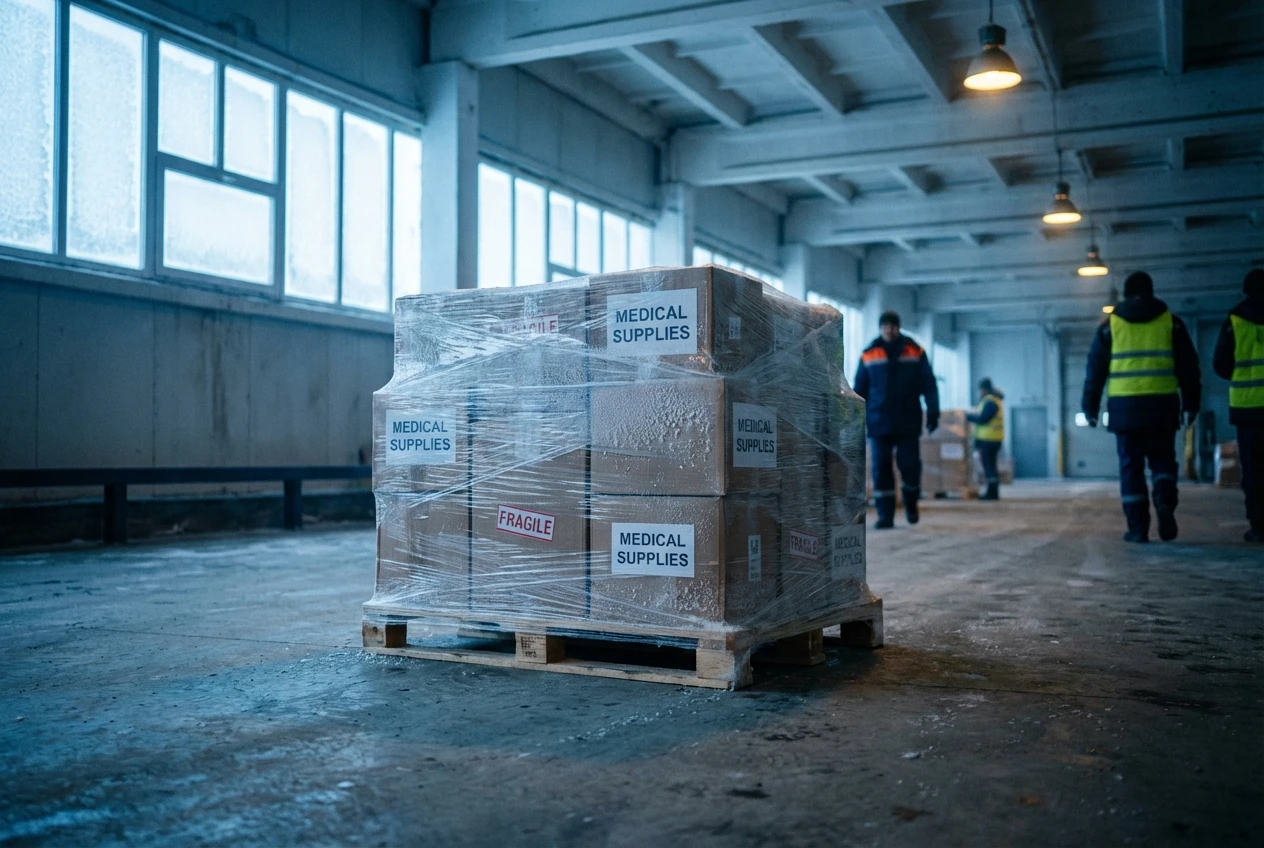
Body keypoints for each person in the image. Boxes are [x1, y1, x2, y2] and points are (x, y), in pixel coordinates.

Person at [1082, 271, 1201, 543]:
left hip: (1125, 411)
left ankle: (1138, 529)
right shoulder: (1172, 323)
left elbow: (1095, 370)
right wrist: (1191, 404)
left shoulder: (1109, 326)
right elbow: (1189, 367)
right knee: (1163, 461)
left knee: (1131, 468)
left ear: (1125, 295)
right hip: (1162, 407)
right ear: (1151, 291)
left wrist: (1090, 408)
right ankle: (1165, 500)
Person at [854, 310, 940, 529]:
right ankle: (885, 516)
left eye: (893, 326)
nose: (889, 330)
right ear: (880, 328)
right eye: (886, 326)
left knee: (910, 466)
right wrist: (854, 418)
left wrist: (933, 412)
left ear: (898, 328)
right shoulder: (869, 354)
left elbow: (929, 384)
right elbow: (859, 389)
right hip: (878, 422)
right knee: (881, 469)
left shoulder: (914, 351)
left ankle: (911, 502)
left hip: (907, 421)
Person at [1212, 269, 1264, 543]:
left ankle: (1258, 527)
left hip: (1248, 408)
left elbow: (1220, 363)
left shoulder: (1235, 319)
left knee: (1253, 470)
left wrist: (1242, 373)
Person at [966, 378, 1005, 500]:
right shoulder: (993, 400)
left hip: (989, 439)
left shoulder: (990, 402)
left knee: (989, 466)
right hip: (991, 439)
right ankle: (993, 492)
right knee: (991, 466)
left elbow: (984, 418)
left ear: (984, 389)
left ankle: (992, 493)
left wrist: (968, 417)